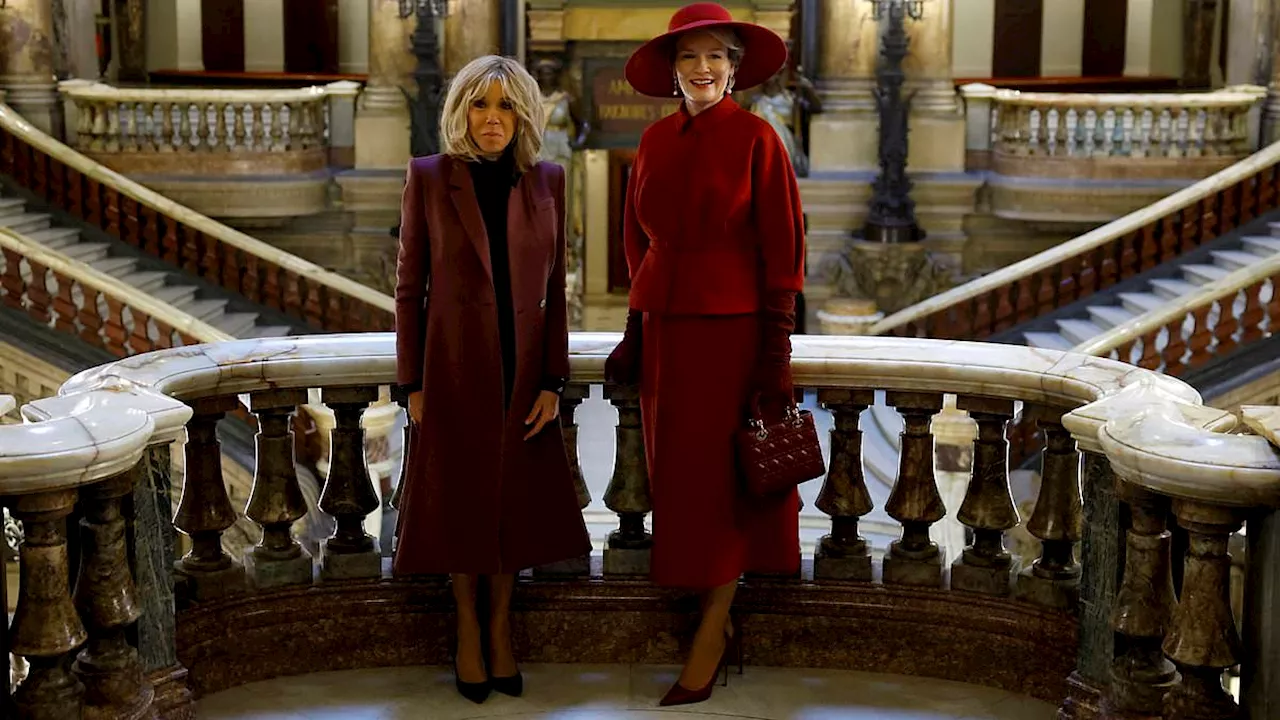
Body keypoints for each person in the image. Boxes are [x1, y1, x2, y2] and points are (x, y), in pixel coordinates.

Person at [605, 1, 806, 708]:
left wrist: (774, 356)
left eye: (716, 55)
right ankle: (704, 613)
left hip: (734, 335)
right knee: (681, 484)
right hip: (666, 333)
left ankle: (713, 629)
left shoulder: (760, 139)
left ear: (735, 67)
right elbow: (637, 242)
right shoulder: (655, 144)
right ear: (671, 71)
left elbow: (784, 252)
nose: (703, 69)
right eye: (689, 57)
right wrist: (635, 329)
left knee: (724, 488)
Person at [392, 54, 591, 705]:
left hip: (522, 371)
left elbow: (556, 290)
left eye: (506, 106)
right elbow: (408, 290)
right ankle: (468, 628)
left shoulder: (548, 180)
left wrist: (553, 382)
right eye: (481, 105)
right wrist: (412, 383)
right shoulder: (429, 177)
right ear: (461, 111)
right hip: (451, 371)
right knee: (459, 505)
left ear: (525, 114)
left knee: (511, 510)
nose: (492, 120)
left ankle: (501, 624)